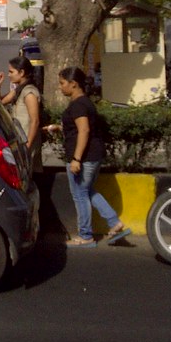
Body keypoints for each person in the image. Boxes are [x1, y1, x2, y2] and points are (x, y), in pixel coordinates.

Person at [44, 66, 130, 248]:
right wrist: (59, 128)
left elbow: (84, 130)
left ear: (73, 84)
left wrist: (76, 159)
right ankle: (114, 222)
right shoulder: (84, 103)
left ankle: (85, 235)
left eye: (62, 83)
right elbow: (78, 127)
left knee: (80, 194)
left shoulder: (79, 105)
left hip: (85, 157)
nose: (60, 87)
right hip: (93, 155)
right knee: (87, 190)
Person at [0, 56, 43, 174]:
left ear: (21, 72)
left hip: (26, 141)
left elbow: (35, 120)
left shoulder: (29, 92)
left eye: (11, 72)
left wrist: (28, 145)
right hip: (19, 141)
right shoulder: (19, 90)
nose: (9, 75)